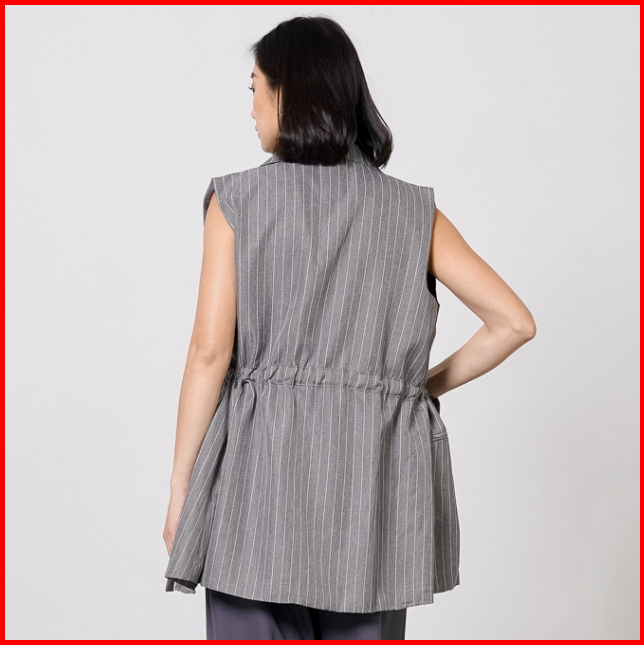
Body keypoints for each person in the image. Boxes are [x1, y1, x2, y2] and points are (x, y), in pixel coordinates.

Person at [163, 15, 536, 641]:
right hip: (373, 493)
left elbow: (209, 352)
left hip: (257, 484)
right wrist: (411, 389)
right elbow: (513, 322)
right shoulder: (413, 211)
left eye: (255, 88)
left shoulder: (236, 202)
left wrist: (181, 488)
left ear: (288, 91)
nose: (250, 107)